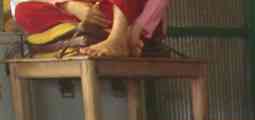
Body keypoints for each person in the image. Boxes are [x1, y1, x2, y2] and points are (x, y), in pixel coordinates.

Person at [11, 0, 168, 56]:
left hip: (127, 14)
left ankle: (117, 39)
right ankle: (98, 32)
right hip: (84, 13)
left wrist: (136, 29)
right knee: (22, 10)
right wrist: (69, 5)